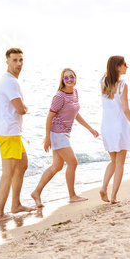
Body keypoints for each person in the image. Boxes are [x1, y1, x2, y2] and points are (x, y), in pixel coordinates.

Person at [31, 68, 99, 207]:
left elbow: (75, 114)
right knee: (73, 163)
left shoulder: (75, 93)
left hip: (64, 133)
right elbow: (50, 116)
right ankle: (72, 195)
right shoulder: (59, 97)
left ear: (75, 78)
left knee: (57, 166)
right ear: (62, 80)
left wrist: (90, 128)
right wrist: (47, 137)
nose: (69, 80)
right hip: (57, 133)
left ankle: (36, 192)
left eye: (71, 77)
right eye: (66, 78)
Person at [0, 48, 35, 221]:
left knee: (22, 165)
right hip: (9, 134)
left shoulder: (7, 80)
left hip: (9, 132)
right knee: (7, 173)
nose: (18, 64)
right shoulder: (10, 82)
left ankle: (15, 204)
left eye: (21, 60)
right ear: (7, 62)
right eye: (15, 60)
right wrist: (26, 107)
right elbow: (21, 109)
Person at [99, 56, 130, 204]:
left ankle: (103, 187)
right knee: (120, 163)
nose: (126, 67)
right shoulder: (123, 85)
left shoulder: (102, 82)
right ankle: (113, 197)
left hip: (106, 126)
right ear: (118, 67)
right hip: (119, 126)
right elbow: (125, 109)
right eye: (124, 64)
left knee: (113, 160)